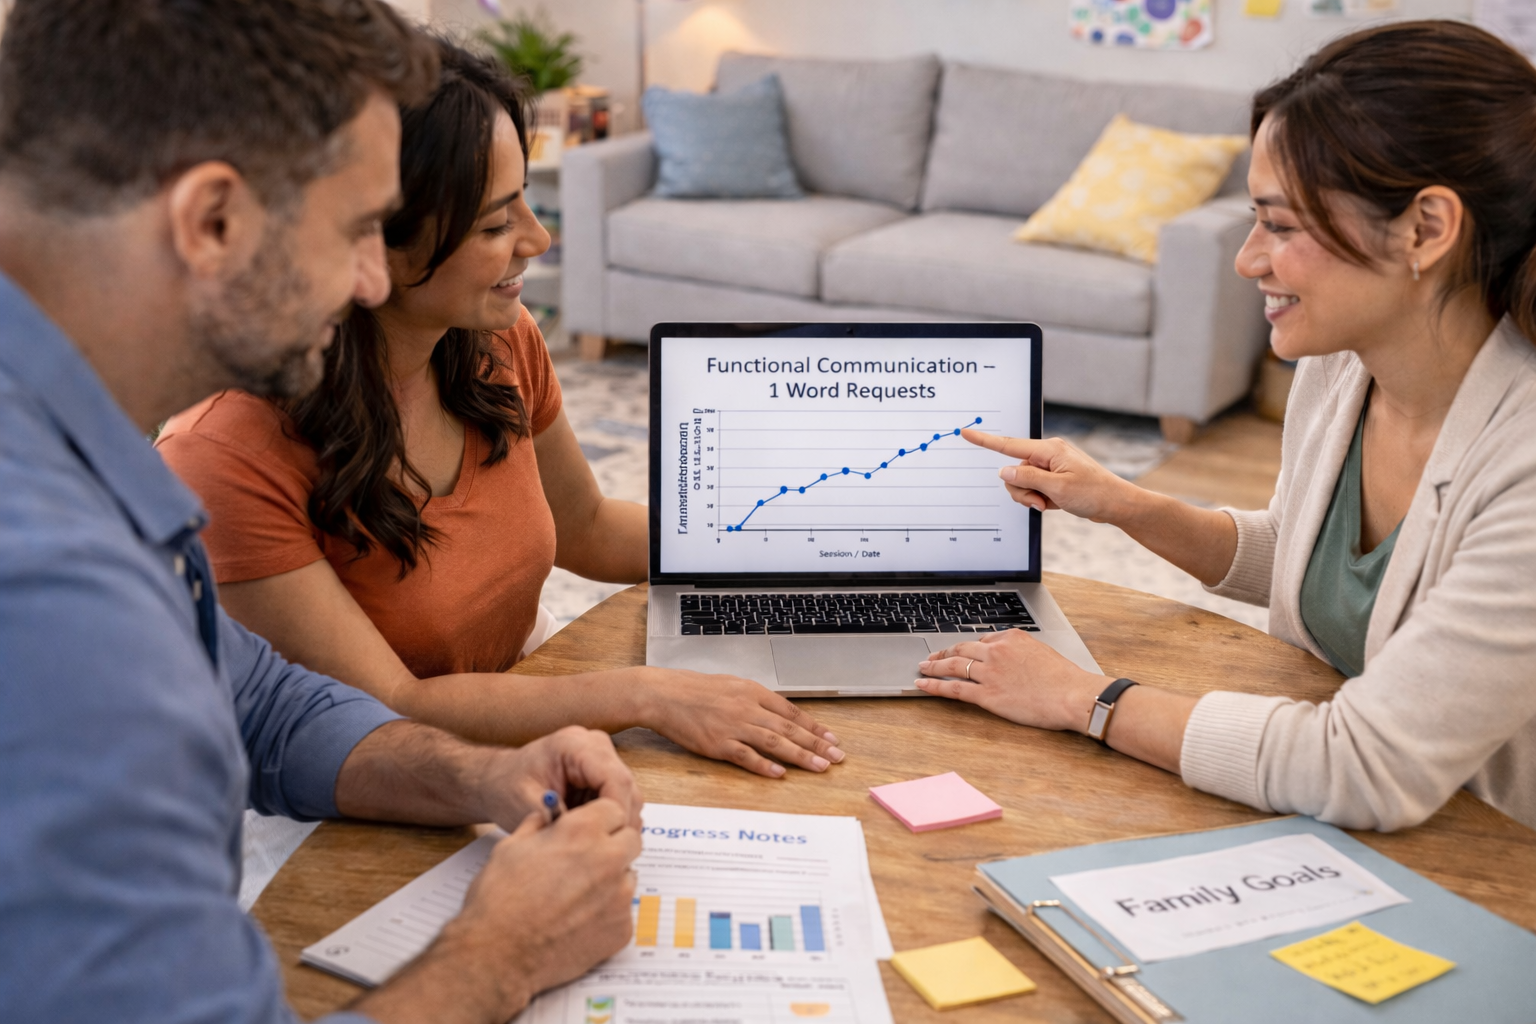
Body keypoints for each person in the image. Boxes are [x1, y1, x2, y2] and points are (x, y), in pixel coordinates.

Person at [0, 3, 646, 1022]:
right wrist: (503, 949)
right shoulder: (56, 601)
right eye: (354, 229)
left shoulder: (75, 440)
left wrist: (483, 776)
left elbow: (267, 706)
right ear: (212, 220)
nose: (369, 277)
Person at [156, 40, 843, 781]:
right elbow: (386, 706)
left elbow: (584, 527)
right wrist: (643, 694)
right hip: (367, 783)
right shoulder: (223, 454)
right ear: (367, 245)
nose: (538, 240)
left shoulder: (496, 339)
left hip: (527, 692)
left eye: (525, 203)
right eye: (494, 225)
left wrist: (785, 546)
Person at [916, 20, 1536, 833]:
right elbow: (1307, 558)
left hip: (1492, 858)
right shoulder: (1343, 367)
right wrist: (1122, 503)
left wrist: (1082, 698)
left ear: (1425, 229)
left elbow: (1363, 765)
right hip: (1332, 826)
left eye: (1280, 225)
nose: (1248, 258)